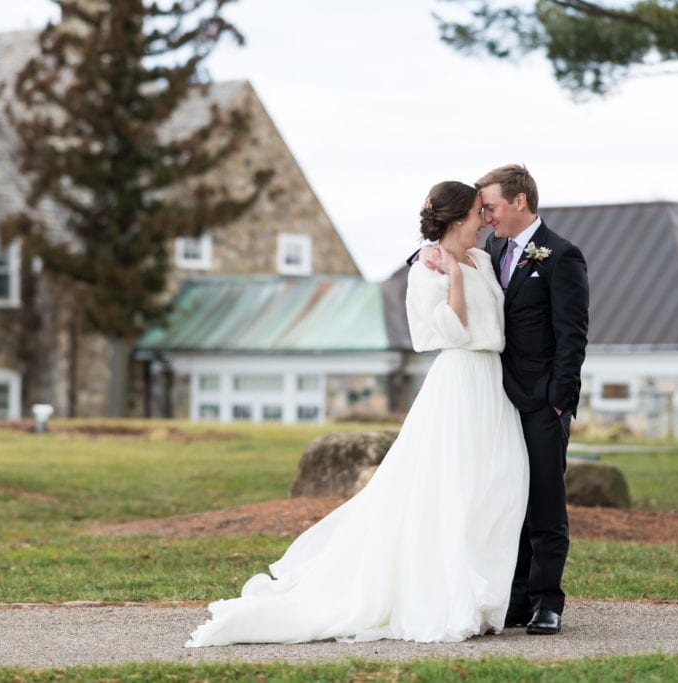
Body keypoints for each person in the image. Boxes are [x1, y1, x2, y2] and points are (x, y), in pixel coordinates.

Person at [186, 181, 529, 647]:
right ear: (453, 220)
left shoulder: (486, 260)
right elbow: (442, 333)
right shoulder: (425, 272)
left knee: (498, 487)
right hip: (459, 381)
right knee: (453, 487)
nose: (484, 220)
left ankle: (485, 594)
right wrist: (451, 277)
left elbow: (501, 323)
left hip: (494, 383)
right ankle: (451, 598)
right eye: (475, 213)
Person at [424, 165, 589, 635]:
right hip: (490, 399)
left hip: (541, 402)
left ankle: (547, 600)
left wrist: (559, 401)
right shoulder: (487, 250)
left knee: (544, 500)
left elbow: (572, 335)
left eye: (490, 206)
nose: (486, 216)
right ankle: (513, 598)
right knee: (502, 496)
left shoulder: (562, 256)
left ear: (519, 202)